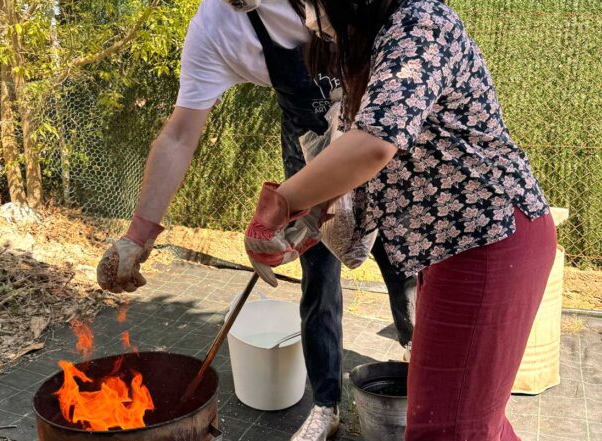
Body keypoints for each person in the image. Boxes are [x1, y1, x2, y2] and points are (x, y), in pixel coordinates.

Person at [96, 0, 416, 439]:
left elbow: (405, 70)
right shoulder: (217, 30)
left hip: (385, 125)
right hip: (313, 143)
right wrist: (138, 234)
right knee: (319, 276)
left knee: (407, 260)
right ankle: (326, 406)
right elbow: (178, 134)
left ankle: (423, 367)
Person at [244, 0, 556, 439]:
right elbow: (353, 168)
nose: (309, 18)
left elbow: (373, 145)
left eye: (310, 4)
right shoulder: (378, 53)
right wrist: (308, 221)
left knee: (447, 428)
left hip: (488, 240)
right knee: (467, 421)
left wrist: (281, 203)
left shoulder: (421, 21)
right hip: (453, 249)